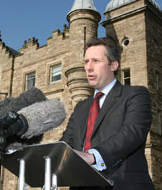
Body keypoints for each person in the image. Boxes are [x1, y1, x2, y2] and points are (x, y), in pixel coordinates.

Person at [60, 37, 154, 190]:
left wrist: (93, 156)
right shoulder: (81, 107)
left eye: (96, 61)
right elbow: (66, 144)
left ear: (113, 65)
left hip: (122, 185)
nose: (88, 67)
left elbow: (132, 133)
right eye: (86, 61)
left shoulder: (136, 94)